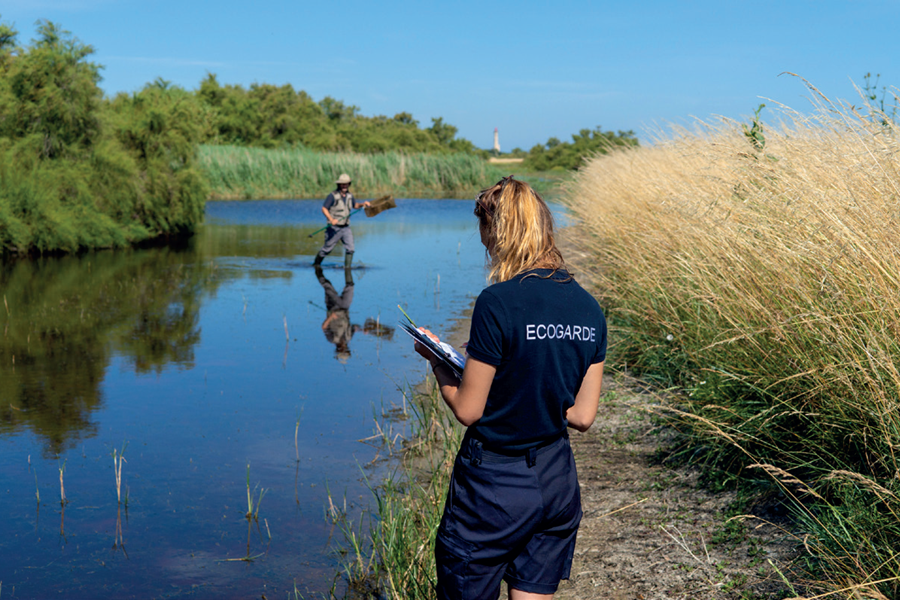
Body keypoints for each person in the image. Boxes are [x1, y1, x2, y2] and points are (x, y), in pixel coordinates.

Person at [414, 176, 607, 600]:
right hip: (556, 480)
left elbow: (469, 410)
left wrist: (439, 366)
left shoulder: (497, 302)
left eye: (484, 231)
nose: (484, 243)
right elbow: (582, 416)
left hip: (493, 487)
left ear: (497, 231)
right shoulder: (589, 307)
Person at [313, 173, 371, 268]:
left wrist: (362, 204)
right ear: (339, 185)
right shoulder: (332, 196)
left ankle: (347, 269)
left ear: (349, 184)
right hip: (334, 228)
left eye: (346, 183)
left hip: (346, 227)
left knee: (350, 249)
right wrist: (331, 219)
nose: (344, 185)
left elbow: (354, 205)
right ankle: (316, 265)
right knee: (327, 249)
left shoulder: (350, 195)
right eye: (342, 184)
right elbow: (324, 208)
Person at [315, 264, 360, 363]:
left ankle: (317, 269)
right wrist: (361, 329)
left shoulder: (332, 339)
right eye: (346, 351)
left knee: (327, 285)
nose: (344, 349)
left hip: (333, 308)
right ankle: (347, 269)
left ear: (338, 350)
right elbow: (354, 327)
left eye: (343, 351)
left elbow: (324, 327)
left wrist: (331, 317)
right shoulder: (349, 337)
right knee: (350, 285)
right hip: (344, 307)